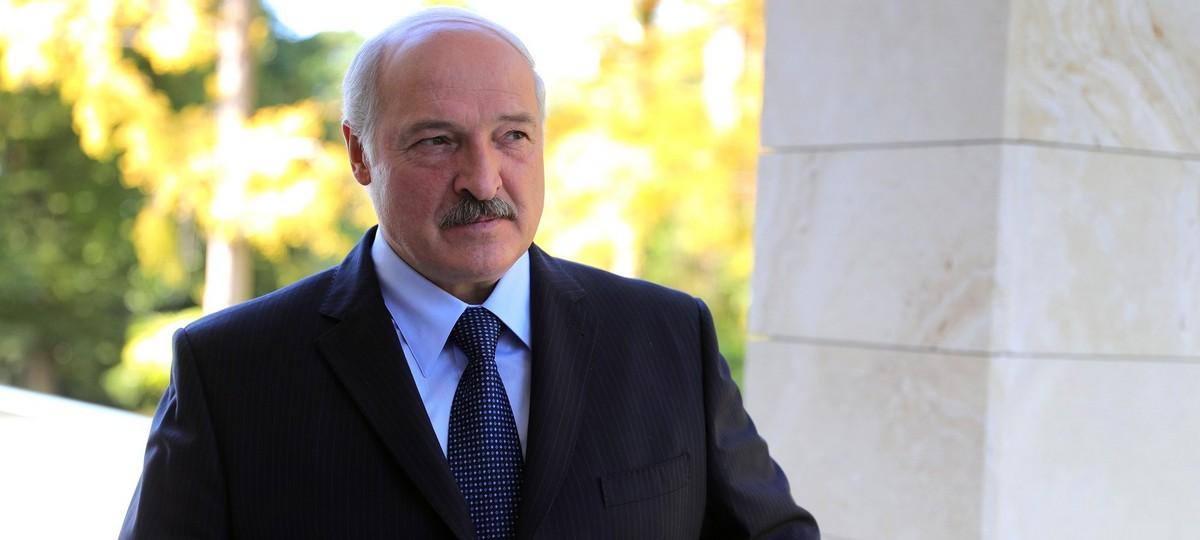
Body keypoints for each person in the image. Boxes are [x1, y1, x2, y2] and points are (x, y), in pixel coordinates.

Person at [120, 7, 818, 539]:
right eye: (437, 141)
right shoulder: (231, 373)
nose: (483, 179)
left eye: (512, 136)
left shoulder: (669, 337)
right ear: (359, 155)